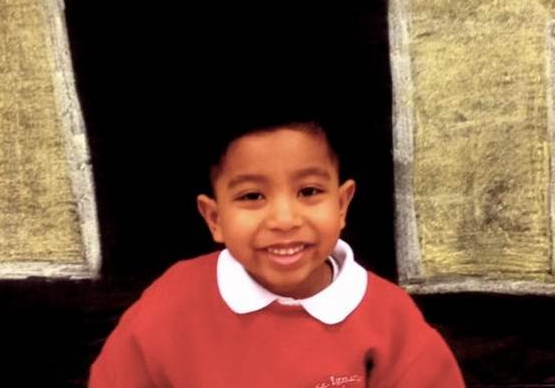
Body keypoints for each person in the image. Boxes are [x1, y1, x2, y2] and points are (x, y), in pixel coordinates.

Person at [88, 114, 466, 387]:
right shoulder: (172, 303)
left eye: (309, 191)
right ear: (215, 219)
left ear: (341, 205)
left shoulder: (388, 317)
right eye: (252, 196)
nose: (284, 219)